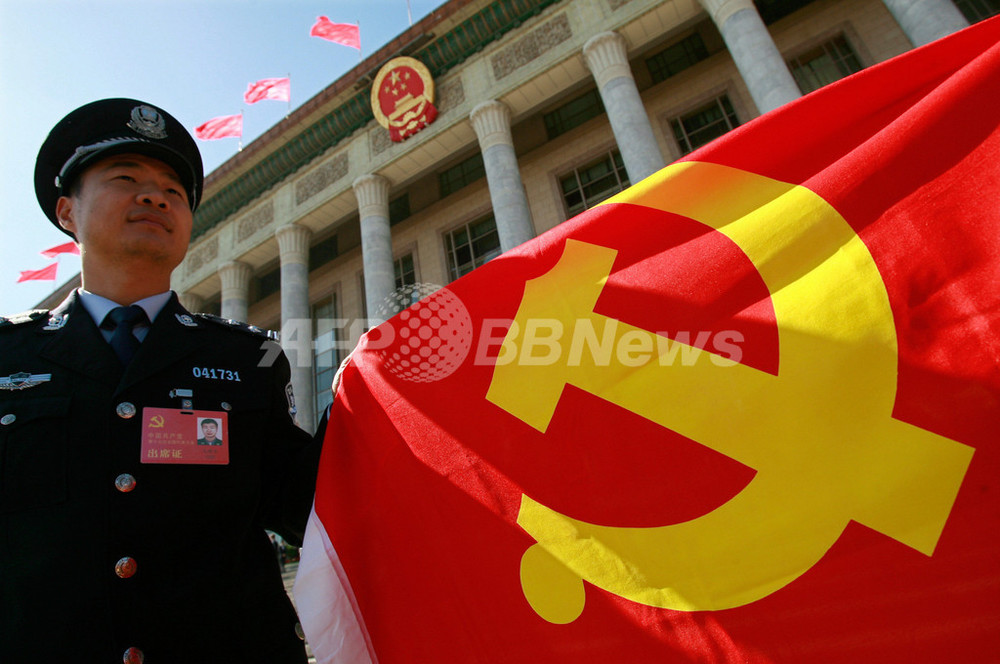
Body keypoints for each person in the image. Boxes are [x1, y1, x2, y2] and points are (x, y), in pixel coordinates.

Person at [0, 99, 323, 663]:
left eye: (173, 191)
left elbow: (314, 511)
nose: (154, 197)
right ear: (67, 212)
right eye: (125, 179)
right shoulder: (9, 357)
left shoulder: (248, 359)